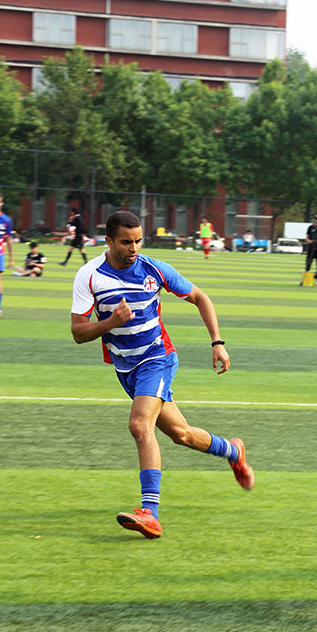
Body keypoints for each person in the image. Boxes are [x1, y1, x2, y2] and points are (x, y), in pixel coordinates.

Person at [69, 210, 254, 539]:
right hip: (126, 368)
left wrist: (217, 342)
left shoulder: (153, 269)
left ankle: (150, 513)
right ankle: (232, 450)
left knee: (139, 425)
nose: (134, 247)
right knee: (180, 434)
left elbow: (200, 297)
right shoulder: (89, 276)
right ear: (108, 241)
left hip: (158, 358)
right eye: (126, 242)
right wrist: (111, 322)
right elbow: (78, 333)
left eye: (138, 240)